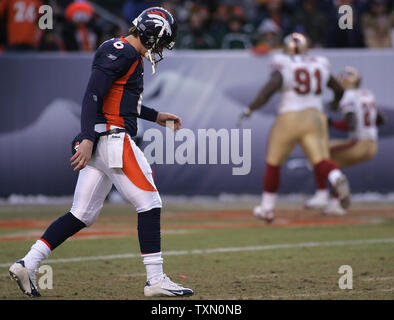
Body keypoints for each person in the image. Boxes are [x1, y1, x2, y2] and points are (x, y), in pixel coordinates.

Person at [9, 7, 193, 298]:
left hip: (102, 141)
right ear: (149, 33)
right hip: (111, 139)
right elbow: (92, 94)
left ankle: (27, 263)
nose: (158, 49)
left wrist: (156, 115)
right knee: (150, 203)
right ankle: (155, 279)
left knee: (82, 213)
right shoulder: (123, 51)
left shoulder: (126, 54)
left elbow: (119, 101)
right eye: (159, 41)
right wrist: (86, 136)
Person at [238, 33, 350, 223]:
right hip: (315, 116)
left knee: (273, 162)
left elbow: (269, 89)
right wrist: (333, 104)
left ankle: (267, 209)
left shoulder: (283, 62)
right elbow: (339, 89)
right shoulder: (319, 63)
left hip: (290, 115)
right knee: (320, 160)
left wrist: (250, 108)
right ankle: (336, 176)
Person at [305, 66, 386, 215]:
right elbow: (380, 120)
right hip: (372, 145)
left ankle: (322, 195)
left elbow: (351, 124)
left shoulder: (348, 96)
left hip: (358, 143)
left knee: (319, 156)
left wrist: (331, 123)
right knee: (332, 164)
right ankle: (335, 203)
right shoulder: (367, 94)